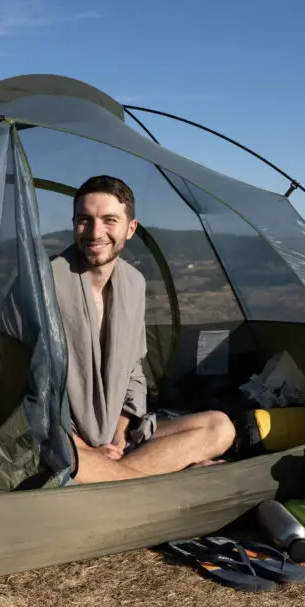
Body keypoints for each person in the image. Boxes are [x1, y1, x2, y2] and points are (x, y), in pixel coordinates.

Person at [52, 175, 236, 484]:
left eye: (109, 220)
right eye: (85, 220)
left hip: (114, 431)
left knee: (220, 428)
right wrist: (83, 447)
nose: (96, 233)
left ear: (130, 229)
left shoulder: (133, 283)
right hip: (62, 439)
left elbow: (134, 368)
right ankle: (160, 479)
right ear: (74, 224)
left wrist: (122, 433)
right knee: (60, 458)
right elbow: (30, 386)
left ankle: (116, 477)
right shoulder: (44, 281)